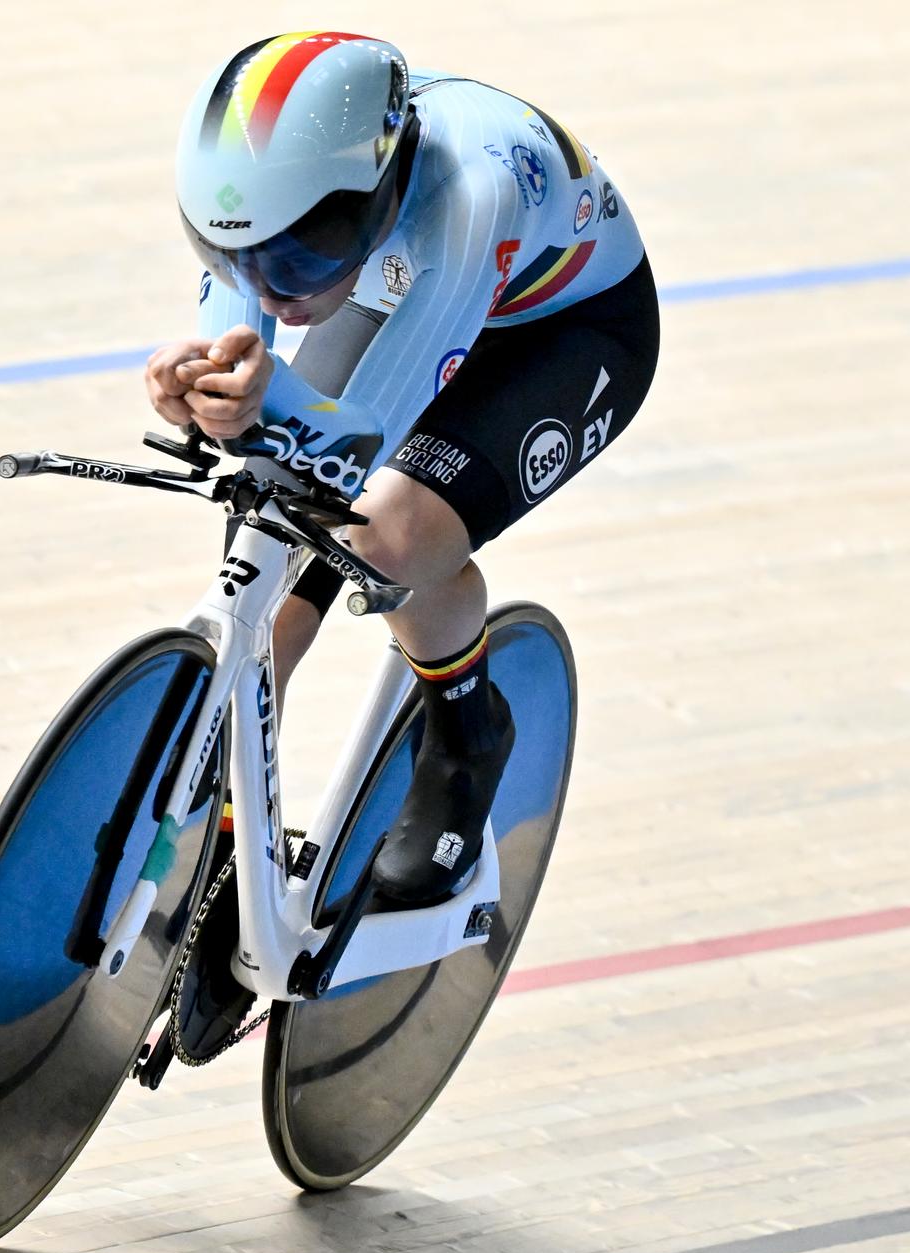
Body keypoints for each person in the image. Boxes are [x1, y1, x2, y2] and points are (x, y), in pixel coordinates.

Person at [147, 32, 659, 908]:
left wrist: (263, 411)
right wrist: (199, 381)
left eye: (302, 257)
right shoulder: (277, 210)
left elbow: (360, 441)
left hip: (563, 333)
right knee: (266, 564)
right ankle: (223, 837)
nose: (271, 292)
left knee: (385, 537)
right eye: (233, 257)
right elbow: (248, 346)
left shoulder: (470, 190)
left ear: (377, 193)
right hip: (400, 283)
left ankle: (466, 737)